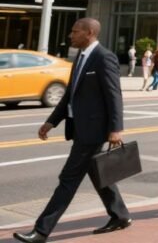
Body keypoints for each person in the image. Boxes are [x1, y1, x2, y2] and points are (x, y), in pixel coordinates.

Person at [13, 18, 131, 243]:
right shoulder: (81, 56)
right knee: (98, 175)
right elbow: (70, 94)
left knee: (68, 179)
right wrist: (52, 121)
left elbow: (114, 96)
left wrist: (116, 129)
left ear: (89, 33)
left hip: (93, 131)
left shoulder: (104, 57)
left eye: (74, 31)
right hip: (80, 128)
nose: (70, 35)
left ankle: (41, 231)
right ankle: (120, 215)